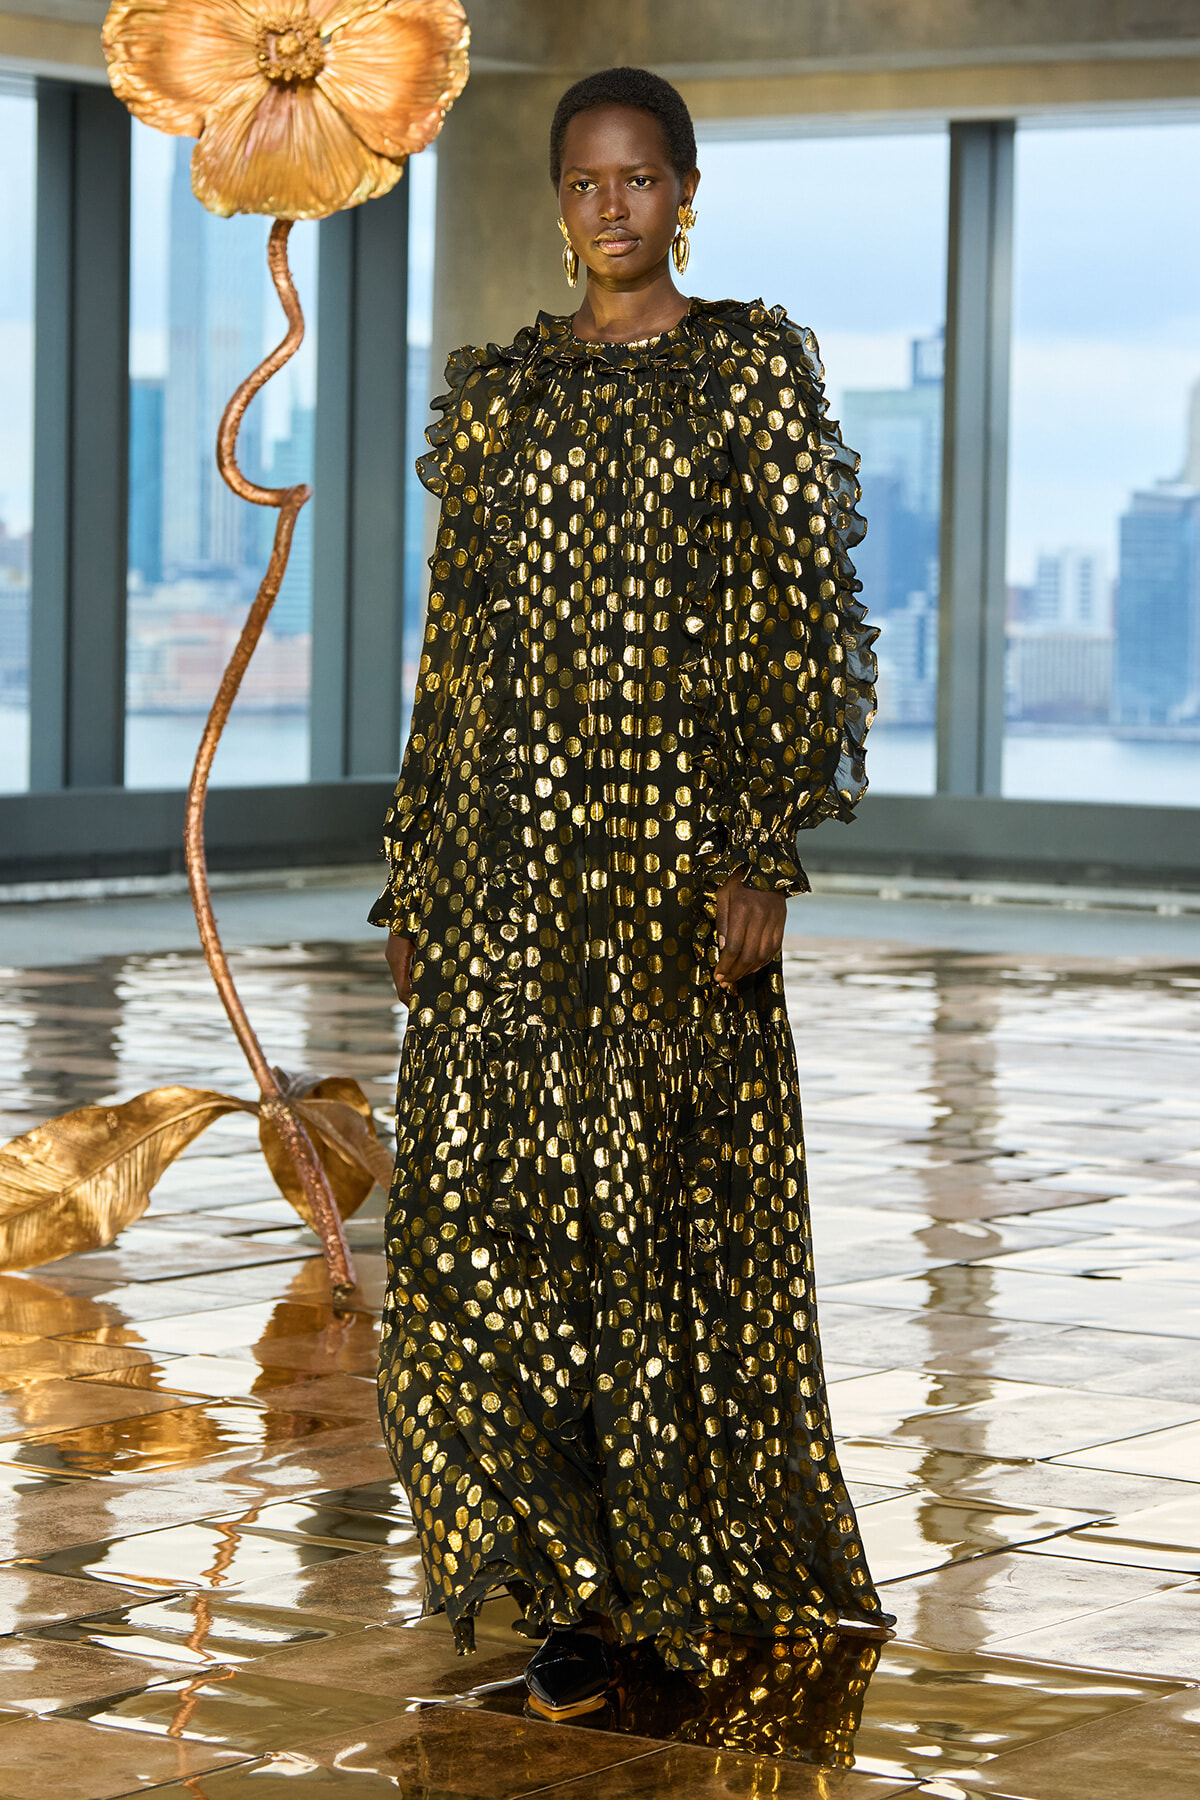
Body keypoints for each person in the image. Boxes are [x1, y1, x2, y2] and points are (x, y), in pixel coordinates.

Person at [370, 64, 890, 1725]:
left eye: (639, 178)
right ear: (558, 200)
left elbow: (803, 630)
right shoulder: (502, 396)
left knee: (658, 1220)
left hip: (671, 885)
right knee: (491, 1228)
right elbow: (455, 663)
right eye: (584, 183)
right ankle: (571, 1589)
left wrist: (758, 848)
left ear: (685, 188)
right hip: (505, 874)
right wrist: (416, 877)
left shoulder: (748, 380)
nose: (612, 208)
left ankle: (677, 1572)